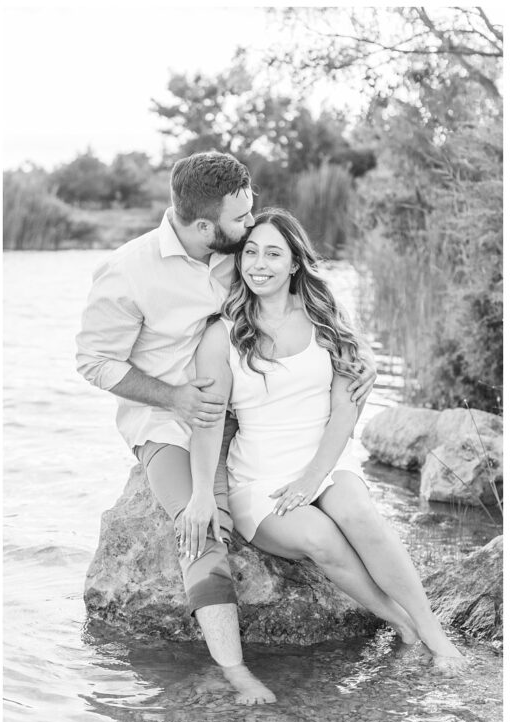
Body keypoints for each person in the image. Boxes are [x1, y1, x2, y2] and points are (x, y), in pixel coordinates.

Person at [76, 151, 377, 705]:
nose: (250, 226)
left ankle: (400, 616)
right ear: (202, 226)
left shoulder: (240, 250)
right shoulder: (128, 271)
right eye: (240, 219)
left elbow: (307, 296)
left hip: (259, 415)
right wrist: (175, 398)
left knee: (343, 501)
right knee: (201, 529)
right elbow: (94, 362)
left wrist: (358, 362)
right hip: (172, 422)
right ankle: (236, 673)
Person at [187, 207, 467, 675]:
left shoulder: (325, 320)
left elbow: (344, 412)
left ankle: (433, 633)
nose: (259, 263)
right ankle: (400, 622)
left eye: (273, 253)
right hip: (258, 480)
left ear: (295, 263)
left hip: (326, 461)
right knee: (321, 538)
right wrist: (201, 493)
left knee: (358, 512)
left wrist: (313, 478)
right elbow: (207, 421)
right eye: (251, 252)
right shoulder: (223, 334)